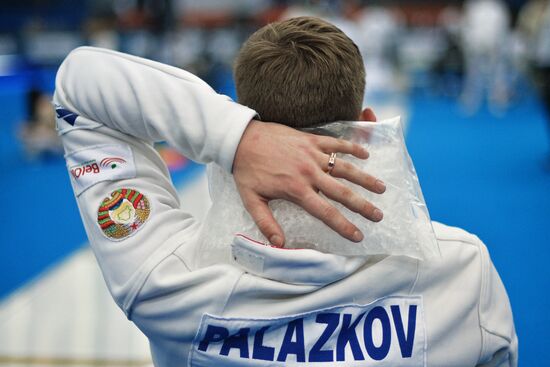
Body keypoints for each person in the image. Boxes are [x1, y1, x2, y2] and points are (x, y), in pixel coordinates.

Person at [54, 16, 517, 367]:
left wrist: (236, 137)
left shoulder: (168, 282)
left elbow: (80, 85)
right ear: (367, 132)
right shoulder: (459, 271)